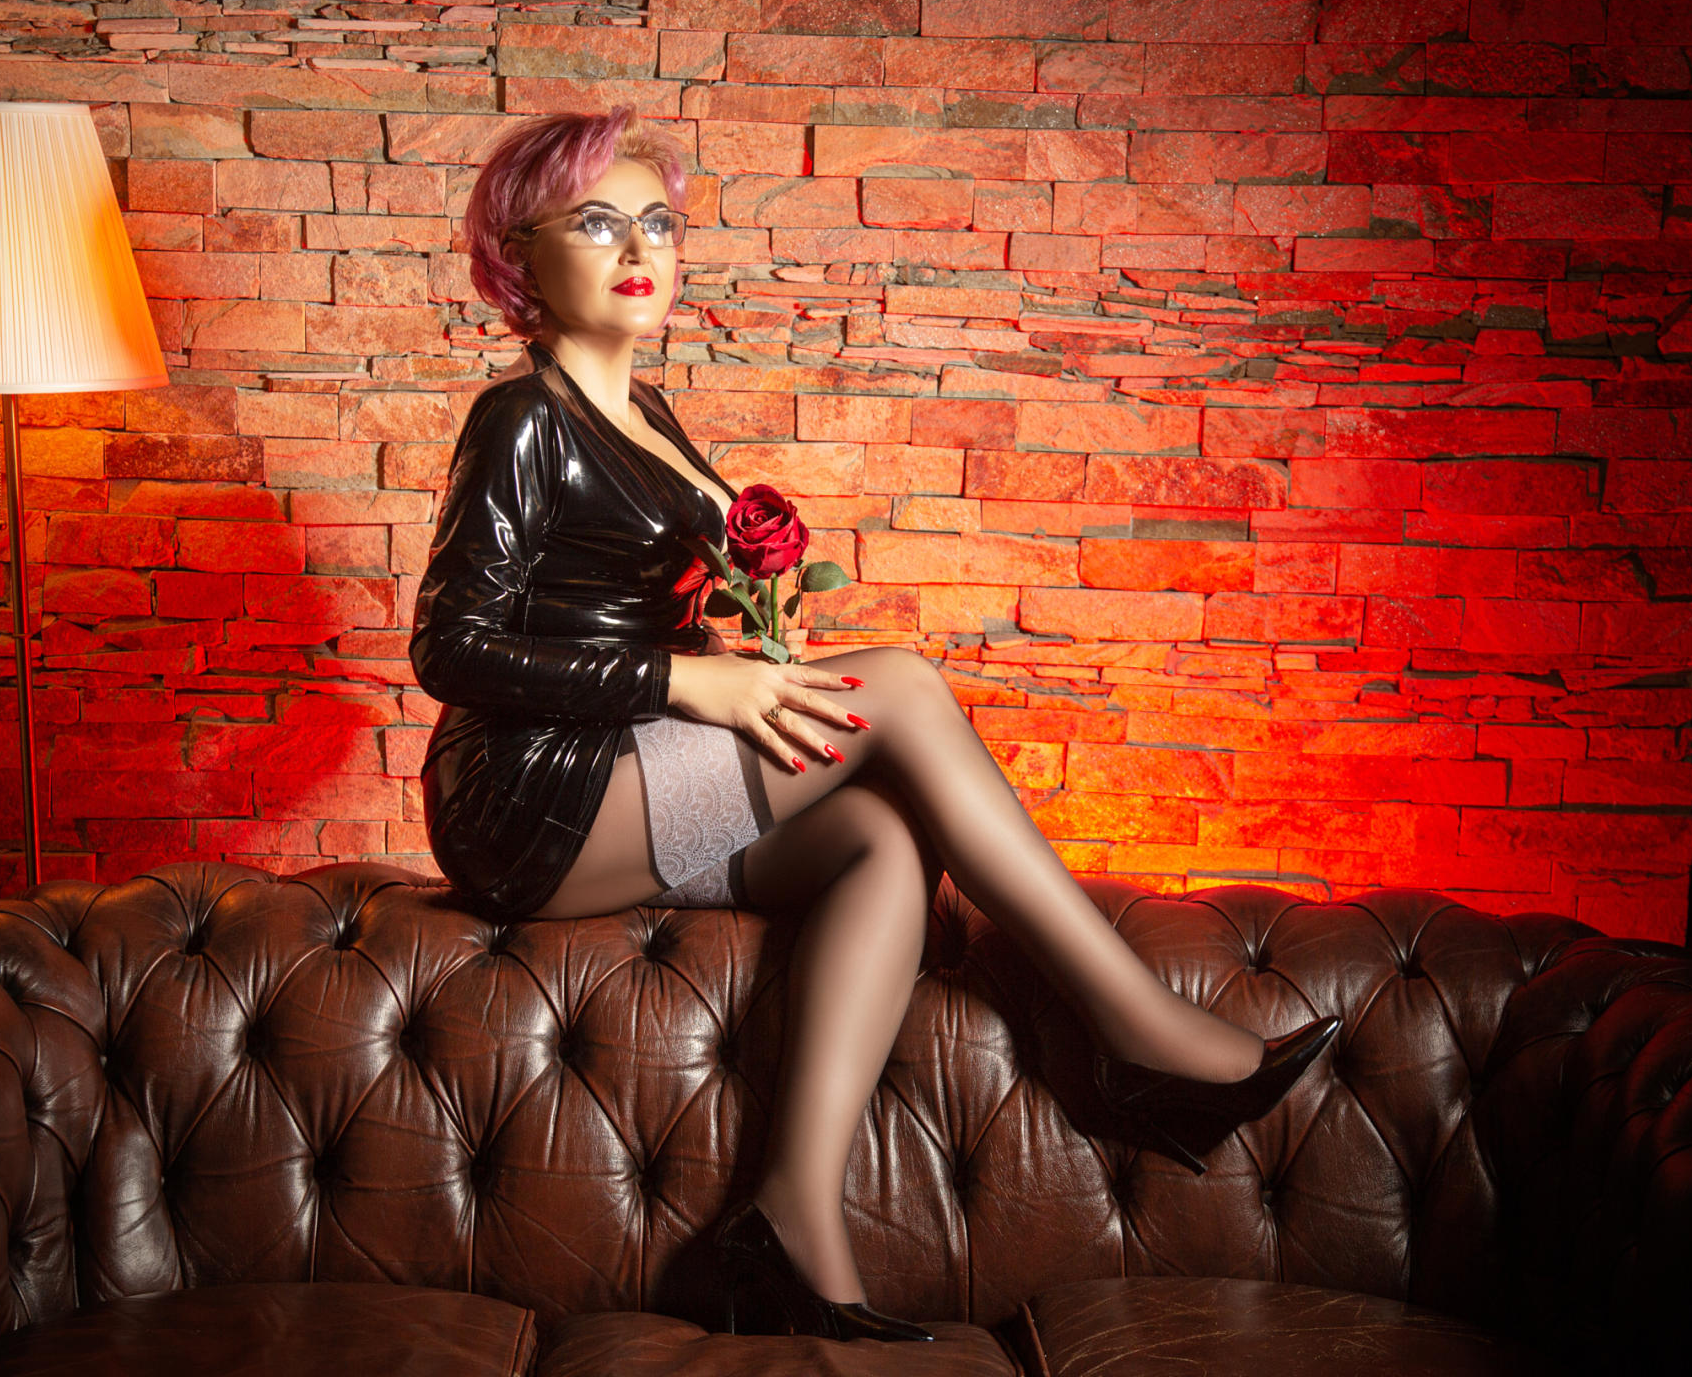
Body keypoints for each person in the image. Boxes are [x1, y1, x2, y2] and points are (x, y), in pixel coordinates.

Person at [409, 104, 1340, 1343]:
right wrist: (690, 687)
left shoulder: (651, 413)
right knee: (897, 685)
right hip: (526, 793)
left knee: (881, 842)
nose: (638, 249)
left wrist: (736, 653)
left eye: (658, 224)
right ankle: (1133, 1032)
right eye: (595, 223)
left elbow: (632, 615)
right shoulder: (519, 419)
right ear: (519, 256)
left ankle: (789, 1224)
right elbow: (449, 647)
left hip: (620, 772)